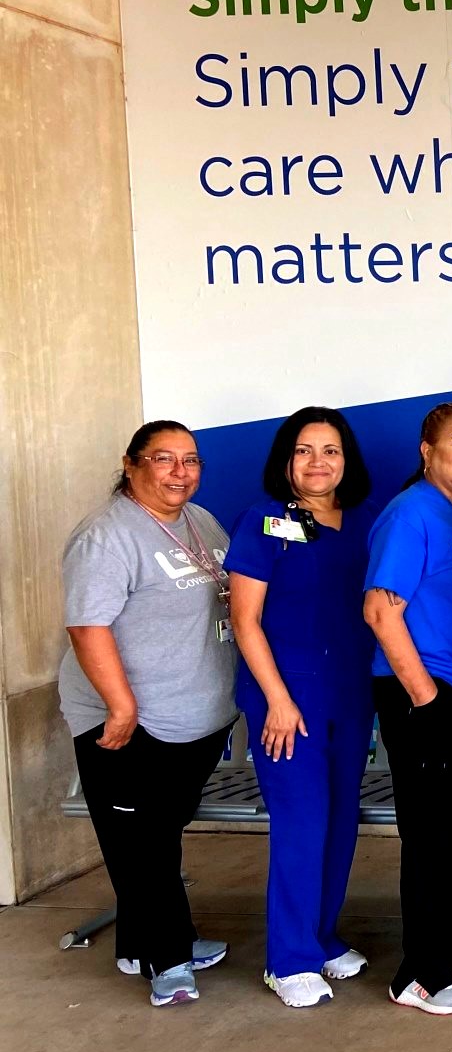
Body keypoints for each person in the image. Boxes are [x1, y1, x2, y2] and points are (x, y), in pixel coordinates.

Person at [58, 421, 237, 1006]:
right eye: (164, 459)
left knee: (159, 834)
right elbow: (88, 626)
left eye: (190, 459)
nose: (180, 471)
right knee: (144, 844)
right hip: (130, 721)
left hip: (193, 717)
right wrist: (120, 704)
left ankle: (147, 940)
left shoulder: (200, 521)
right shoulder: (107, 536)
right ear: (132, 464)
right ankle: (168, 962)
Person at [225, 407, 378, 1008]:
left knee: (341, 820)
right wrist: (278, 700)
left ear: (347, 461)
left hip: (349, 693)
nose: (319, 463)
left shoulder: (364, 522)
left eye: (331, 451)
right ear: (285, 460)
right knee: (302, 821)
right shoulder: (263, 521)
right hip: (287, 700)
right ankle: (287, 958)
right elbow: (245, 619)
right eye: (305, 451)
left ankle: (320, 938)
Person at [364, 401, 452, 1015]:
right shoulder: (410, 514)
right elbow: (380, 610)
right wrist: (426, 698)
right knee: (431, 836)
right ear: (428, 451)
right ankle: (419, 975)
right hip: (426, 695)